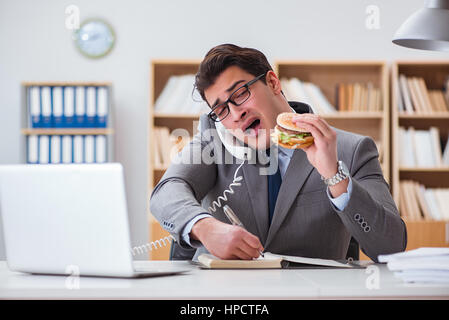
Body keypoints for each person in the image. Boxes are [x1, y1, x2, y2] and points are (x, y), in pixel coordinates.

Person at [150, 43, 406, 262]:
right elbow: (167, 191)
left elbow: (391, 247)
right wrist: (203, 226)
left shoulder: (352, 149)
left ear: (272, 82)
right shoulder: (214, 141)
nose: (236, 114)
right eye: (221, 110)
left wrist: (335, 175)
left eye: (240, 94)